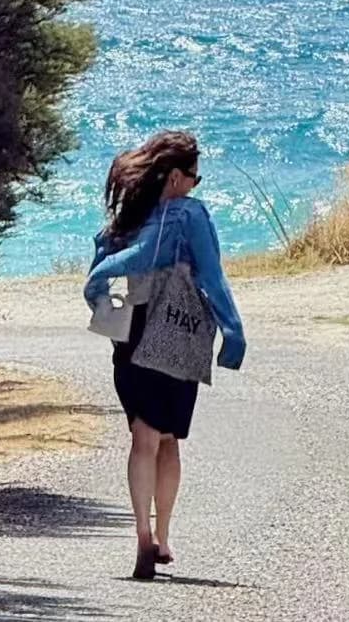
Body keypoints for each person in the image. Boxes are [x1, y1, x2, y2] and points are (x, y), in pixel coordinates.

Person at [84, 130, 246, 582]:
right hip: (176, 329)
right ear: (176, 176)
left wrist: (97, 290)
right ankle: (164, 536)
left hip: (133, 330)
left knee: (142, 437)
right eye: (194, 176)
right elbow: (213, 277)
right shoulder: (190, 215)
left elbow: (102, 253)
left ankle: (140, 532)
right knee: (168, 440)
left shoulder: (132, 214)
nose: (196, 184)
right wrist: (233, 331)